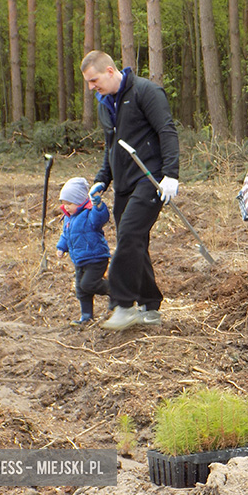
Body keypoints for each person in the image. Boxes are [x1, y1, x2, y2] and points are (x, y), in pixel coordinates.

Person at [80, 50, 180, 331]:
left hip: (151, 178)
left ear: (110, 71)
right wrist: (103, 178)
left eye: (94, 80)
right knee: (135, 242)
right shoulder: (104, 104)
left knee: (129, 235)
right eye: (88, 82)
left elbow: (167, 130)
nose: (91, 87)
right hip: (124, 183)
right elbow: (111, 146)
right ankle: (150, 303)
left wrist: (171, 174)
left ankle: (122, 304)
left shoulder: (146, 92)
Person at [55, 177, 110, 327]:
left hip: (96, 257)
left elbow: (101, 218)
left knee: (88, 284)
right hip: (79, 259)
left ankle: (115, 289)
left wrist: (98, 205)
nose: (66, 207)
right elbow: (66, 235)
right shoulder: (69, 218)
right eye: (64, 204)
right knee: (81, 289)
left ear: (80, 201)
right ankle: (86, 316)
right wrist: (61, 247)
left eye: (69, 204)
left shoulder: (89, 213)